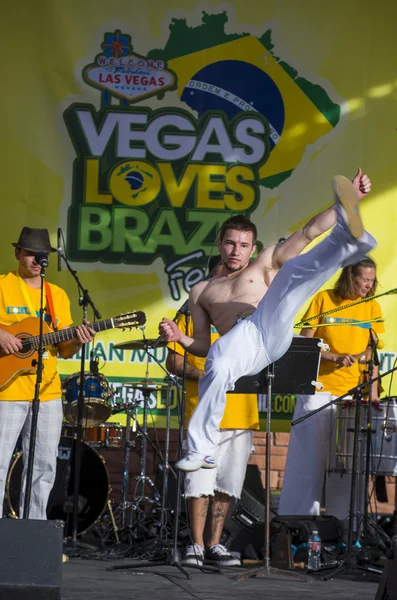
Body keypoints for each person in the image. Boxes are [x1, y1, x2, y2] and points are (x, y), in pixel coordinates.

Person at [159, 173, 376, 472]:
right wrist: (180, 340)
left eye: (243, 245)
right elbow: (201, 345)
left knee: (291, 271)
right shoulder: (201, 291)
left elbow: (309, 231)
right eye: (230, 243)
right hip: (243, 348)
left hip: (271, 328)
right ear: (220, 244)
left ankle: (346, 238)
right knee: (219, 359)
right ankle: (202, 450)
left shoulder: (264, 264)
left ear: (252, 248)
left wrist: (346, 200)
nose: (236, 251)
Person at [166, 264, 260, 566]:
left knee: (228, 484)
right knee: (199, 483)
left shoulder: (253, 314)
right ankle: (195, 545)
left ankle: (215, 545)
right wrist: (209, 375)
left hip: (242, 412)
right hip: (203, 412)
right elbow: (175, 363)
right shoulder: (191, 310)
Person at [278, 256, 385, 519]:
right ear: (350, 277)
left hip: (352, 396)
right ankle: (299, 524)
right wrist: (333, 357)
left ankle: (344, 526)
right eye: (364, 280)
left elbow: (372, 355)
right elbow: (304, 346)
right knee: (309, 461)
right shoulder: (323, 300)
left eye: (372, 281)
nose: (368, 286)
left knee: (347, 464)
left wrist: (372, 398)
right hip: (318, 392)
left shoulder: (371, 307)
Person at [0, 227, 95, 519]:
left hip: (48, 392)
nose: (36, 260)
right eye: (30, 253)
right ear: (17, 253)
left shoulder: (57, 295)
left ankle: (33, 535)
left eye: (41, 255)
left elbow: (65, 349)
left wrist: (77, 339)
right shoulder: (3, 285)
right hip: (7, 390)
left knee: (43, 466)